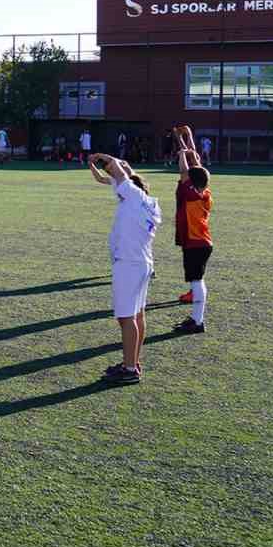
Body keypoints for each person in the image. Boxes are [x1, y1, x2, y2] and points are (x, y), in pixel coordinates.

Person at [88, 153, 161, 384]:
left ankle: (130, 370)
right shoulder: (149, 204)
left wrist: (100, 156)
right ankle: (132, 362)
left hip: (129, 264)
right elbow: (120, 174)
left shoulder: (132, 196)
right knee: (137, 315)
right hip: (140, 262)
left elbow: (118, 170)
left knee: (126, 317)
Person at [171, 125, 212, 334]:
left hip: (195, 243)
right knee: (197, 280)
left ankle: (197, 321)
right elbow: (196, 165)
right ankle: (196, 319)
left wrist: (181, 147)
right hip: (202, 242)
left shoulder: (190, 194)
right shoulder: (204, 193)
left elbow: (185, 169)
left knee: (197, 281)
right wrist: (186, 138)